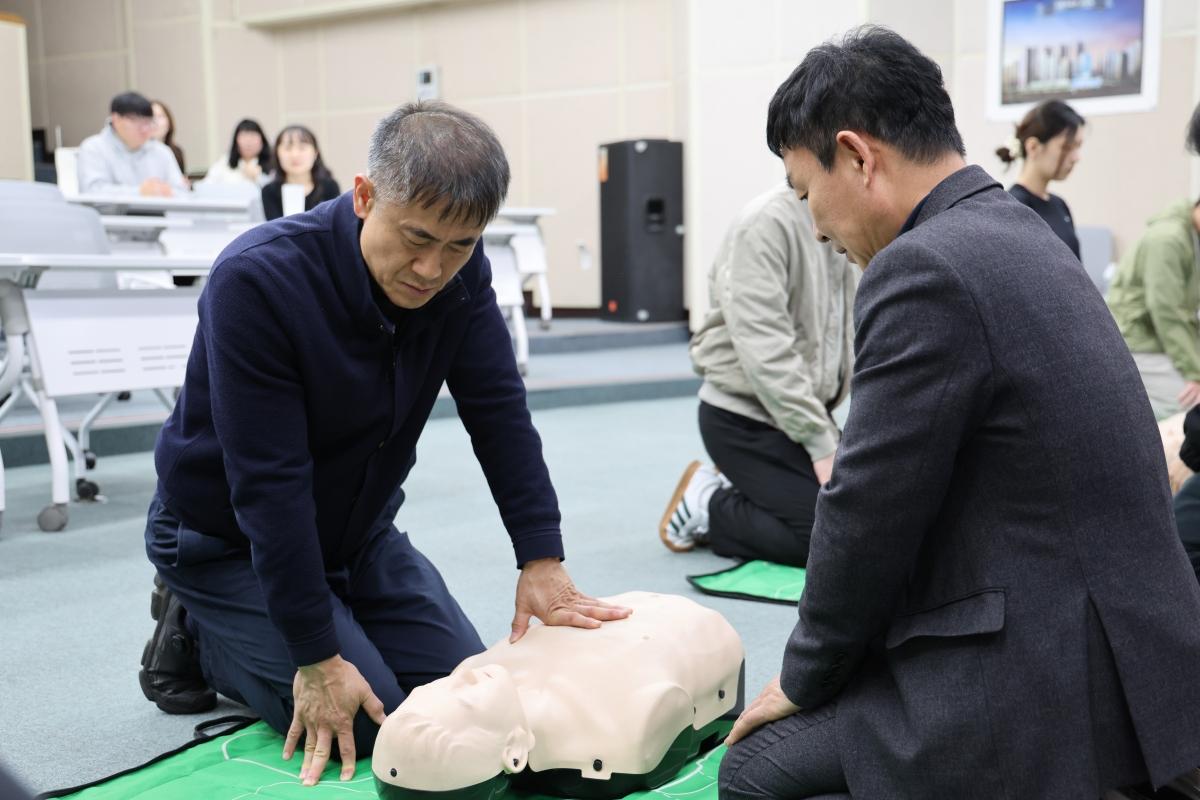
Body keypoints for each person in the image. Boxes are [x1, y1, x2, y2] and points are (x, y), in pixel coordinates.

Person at [719, 26, 1200, 800]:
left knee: (754, 770)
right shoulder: (1023, 230)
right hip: (1150, 662)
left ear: (858, 156)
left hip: (1053, 679)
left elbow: (866, 512)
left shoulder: (923, 267)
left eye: (807, 193)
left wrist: (802, 677)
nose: (815, 226)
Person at [138, 101, 630, 789]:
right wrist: (315, 656)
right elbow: (269, 487)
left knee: (470, 701)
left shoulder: (463, 273)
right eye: (417, 238)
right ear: (365, 196)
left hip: (357, 533)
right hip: (225, 540)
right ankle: (197, 633)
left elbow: (499, 413)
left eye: (459, 245)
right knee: (376, 725)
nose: (431, 268)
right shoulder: (257, 281)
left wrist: (541, 557)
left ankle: (303, 619)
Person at [372, 592, 743, 799]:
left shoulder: (476, 669)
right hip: (688, 637)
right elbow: (666, 709)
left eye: (436, 689)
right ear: (513, 753)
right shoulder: (611, 731)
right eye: (466, 698)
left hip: (655, 618)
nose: (463, 678)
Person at [659, 184, 856, 567]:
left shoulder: (848, 219)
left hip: (804, 415)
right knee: (826, 541)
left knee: (865, 518)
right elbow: (765, 351)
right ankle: (708, 503)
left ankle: (751, 487)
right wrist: (823, 445)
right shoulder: (765, 224)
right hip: (743, 420)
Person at [1105, 198, 1200, 419]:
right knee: (1191, 404)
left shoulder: (1191, 236)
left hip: (1158, 337)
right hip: (1136, 340)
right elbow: (1168, 313)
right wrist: (1193, 372)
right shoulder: (1168, 239)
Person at [995, 99, 1085, 259]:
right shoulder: (1013, 207)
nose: (1076, 157)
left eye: (1077, 147)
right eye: (1066, 147)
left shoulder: (1059, 205)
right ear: (1033, 147)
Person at [76, 91, 187, 196]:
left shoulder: (161, 151)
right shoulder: (94, 148)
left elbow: (181, 191)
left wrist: (167, 192)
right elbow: (92, 191)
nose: (144, 129)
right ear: (116, 119)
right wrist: (140, 192)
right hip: (110, 211)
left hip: (159, 210)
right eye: (137, 121)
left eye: (148, 122)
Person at [261, 124, 340, 219]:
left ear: (315, 153)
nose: (295, 155)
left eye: (302, 148)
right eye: (288, 148)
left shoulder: (329, 187)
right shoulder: (269, 191)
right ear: (277, 154)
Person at [204, 119, 273, 187]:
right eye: (244, 136)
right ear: (236, 141)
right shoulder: (225, 161)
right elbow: (207, 184)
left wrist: (258, 178)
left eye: (253, 136)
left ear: (262, 140)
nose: (248, 142)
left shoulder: (272, 162)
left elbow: (275, 188)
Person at [151, 99, 186, 175]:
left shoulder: (176, 152)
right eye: (151, 117)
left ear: (169, 122)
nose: (155, 121)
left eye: (160, 116)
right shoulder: (139, 152)